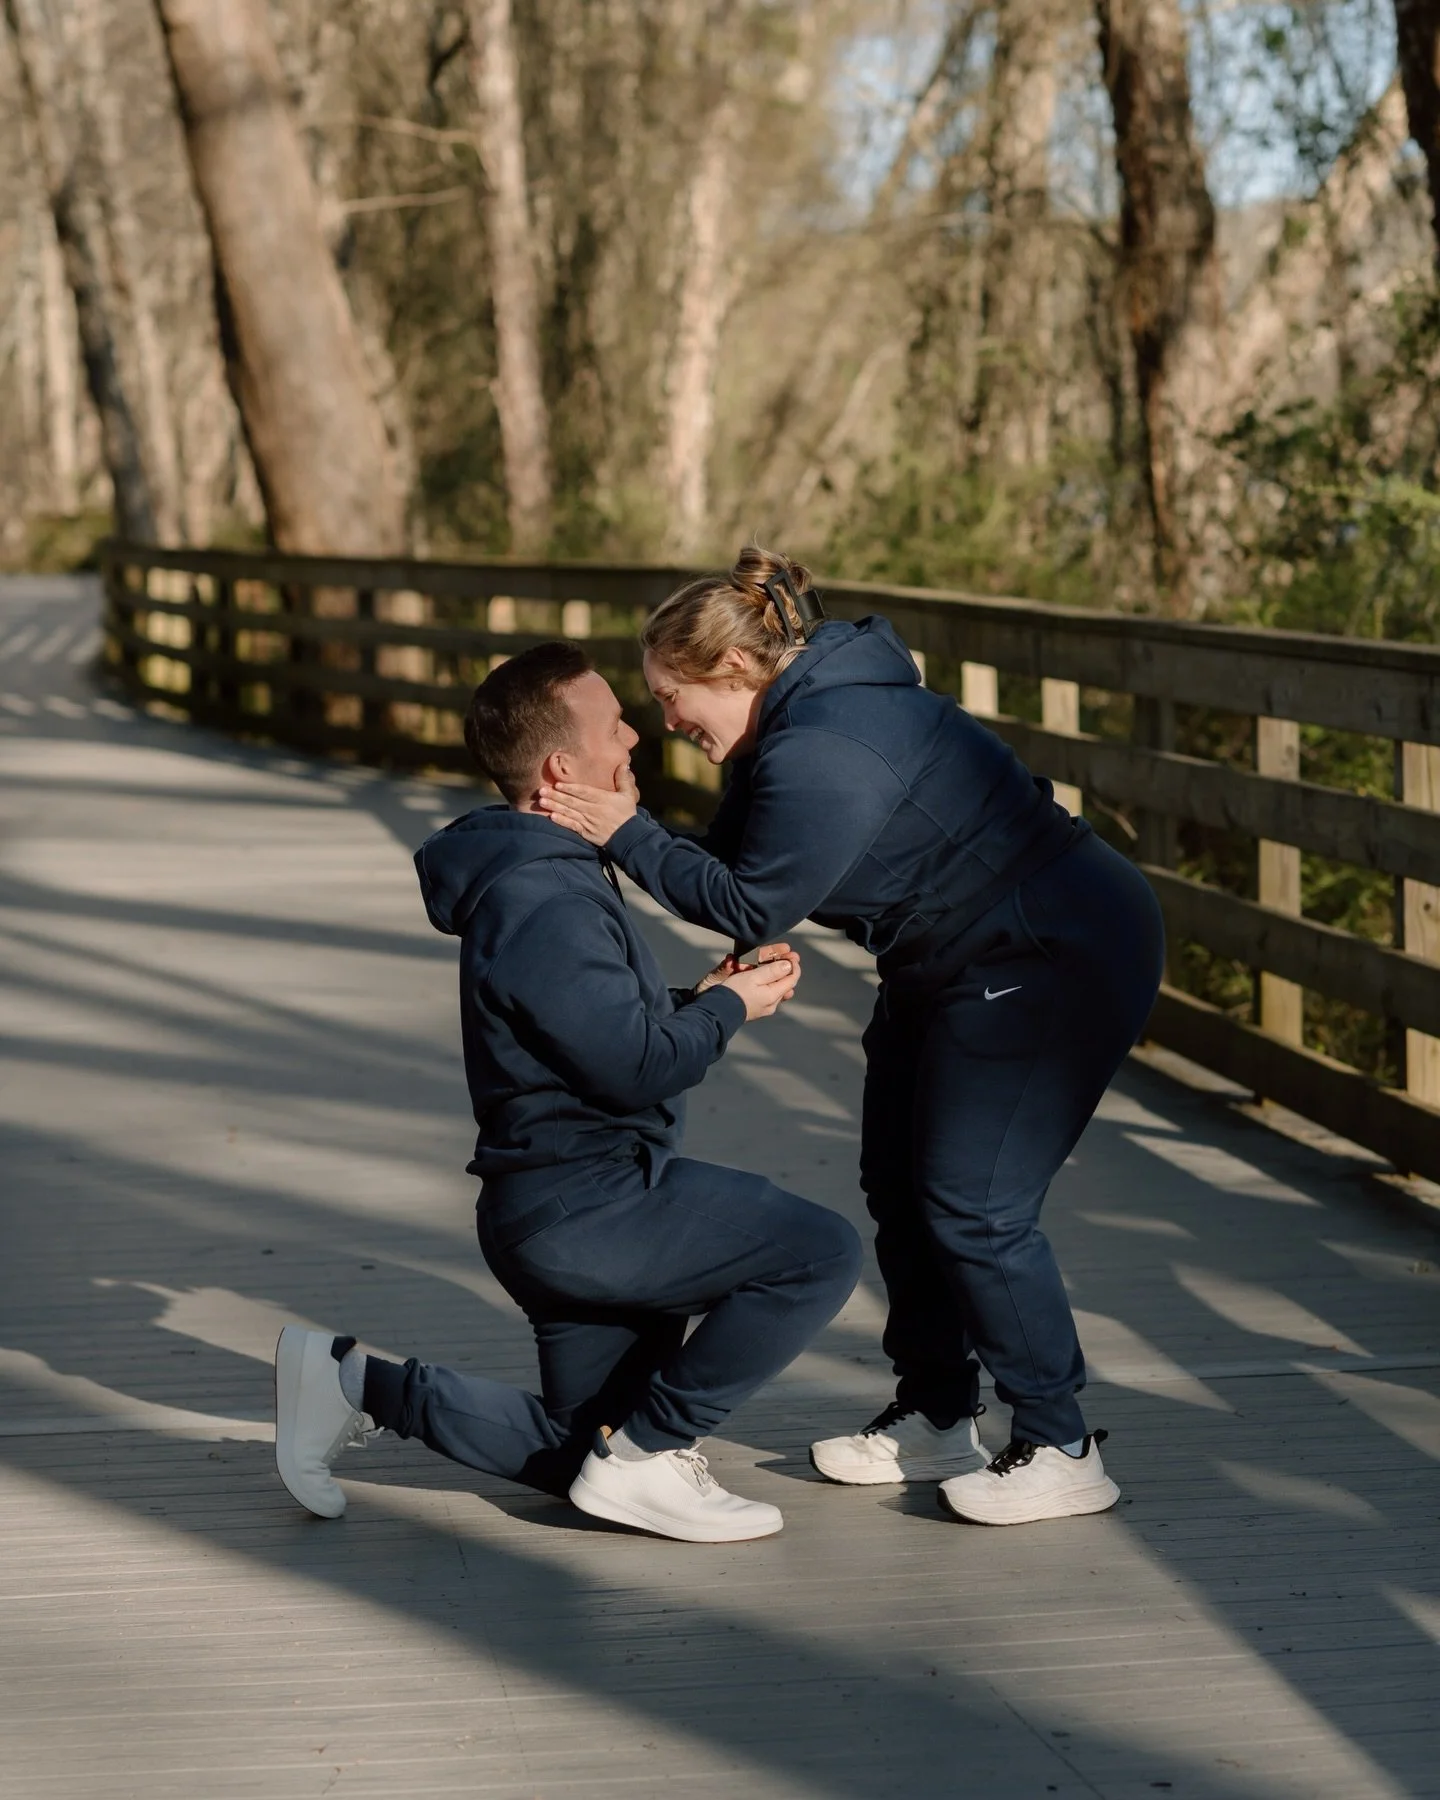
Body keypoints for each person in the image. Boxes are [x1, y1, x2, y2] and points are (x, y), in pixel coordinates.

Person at [537, 549, 1166, 1527]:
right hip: (951, 955)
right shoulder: (786, 729)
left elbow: (755, 900)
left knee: (974, 1202)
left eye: (670, 696)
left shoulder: (827, 746)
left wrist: (625, 831)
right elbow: (738, 861)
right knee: (897, 1179)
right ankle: (940, 1410)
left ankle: (1060, 1441)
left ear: (736, 673)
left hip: (1052, 952)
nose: (664, 720)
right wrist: (623, 832)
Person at [274, 641, 862, 1544]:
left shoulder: (541, 876)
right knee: (817, 1253)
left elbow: (589, 1031)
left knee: (579, 1452)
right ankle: (653, 1454)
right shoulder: (543, 895)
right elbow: (633, 1067)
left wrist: (703, 1000)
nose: (636, 733)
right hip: (590, 1205)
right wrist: (729, 1011)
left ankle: (351, 1382)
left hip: (556, 1204)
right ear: (561, 766)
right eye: (614, 723)